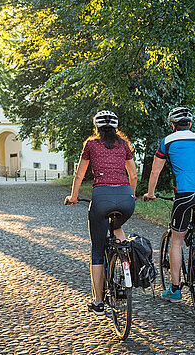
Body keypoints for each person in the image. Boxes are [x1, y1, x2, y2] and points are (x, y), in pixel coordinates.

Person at [65, 110, 137, 315]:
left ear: (97, 127)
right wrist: (131, 195)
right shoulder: (124, 145)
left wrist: (74, 196)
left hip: (101, 198)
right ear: (115, 127)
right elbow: (133, 174)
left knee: (97, 250)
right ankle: (126, 272)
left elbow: (79, 175)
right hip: (126, 199)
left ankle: (98, 303)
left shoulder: (91, 144)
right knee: (118, 228)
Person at [143, 106, 195, 302]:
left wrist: (150, 193)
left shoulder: (167, 141)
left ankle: (175, 290)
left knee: (176, 240)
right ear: (190, 124)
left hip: (185, 193)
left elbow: (155, 171)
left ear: (173, 125)